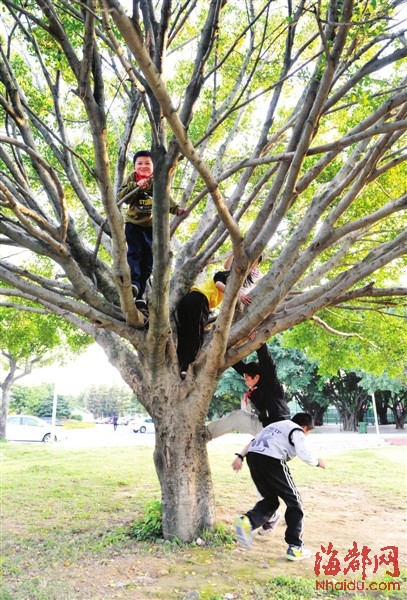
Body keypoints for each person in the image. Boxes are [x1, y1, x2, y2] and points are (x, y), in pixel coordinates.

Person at [232, 412, 326, 561]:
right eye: (308, 432)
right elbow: (303, 452)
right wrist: (317, 462)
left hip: (254, 458)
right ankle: (295, 547)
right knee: (294, 502)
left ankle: (247, 522)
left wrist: (240, 457)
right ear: (304, 427)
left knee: (270, 501)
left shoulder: (275, 426)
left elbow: (252, 442)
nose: (306, 436)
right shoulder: (297, 430)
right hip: (272, 460)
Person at [117, 150, 185, 301]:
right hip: (133, 224)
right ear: (134, 166)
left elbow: (165, 197)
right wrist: (136, 185)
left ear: (153, 166)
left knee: (148, 260)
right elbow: (121, 198)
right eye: (139, 163)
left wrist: (176, 209)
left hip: (151, 227)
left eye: (147, 163)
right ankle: (134, 282)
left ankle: (139, 293)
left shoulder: (157, 180)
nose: (143, 166)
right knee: (135, 253)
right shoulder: (132, 177)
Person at [206, 338, 290, 439]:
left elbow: (268, 364)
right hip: (266, 426)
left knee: (237, 417)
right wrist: (227, 351)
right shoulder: (256, 382)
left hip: (275, 429)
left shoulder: (270, 384)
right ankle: (206, 433)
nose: (246, 382)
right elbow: (241, 369)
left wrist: (260, 345)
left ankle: (206, 434)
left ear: (257, 377)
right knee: (237, 416)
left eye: (247, 379)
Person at [175, 270, 251, 379]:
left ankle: (180, 364)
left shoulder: (220, 283)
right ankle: (185, 367)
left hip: (187, 300)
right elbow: (218, 284)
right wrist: (239, 295)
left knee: (184, 333)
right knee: (196, 336)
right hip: (199, 300)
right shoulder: (222, 275)